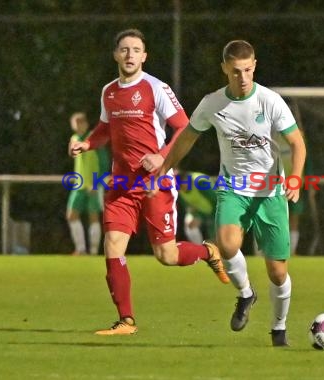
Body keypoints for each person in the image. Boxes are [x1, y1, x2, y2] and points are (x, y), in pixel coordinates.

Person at [68, 29, 229, 335]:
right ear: (116, 55)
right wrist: (87, 144)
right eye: (124, 49)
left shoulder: (156, 88)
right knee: (113, 245)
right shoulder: (109, 92)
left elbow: (185, 128)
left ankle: (208, 251)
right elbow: (104, 128)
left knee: (166, 255)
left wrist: (161, 156)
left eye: (136, 50)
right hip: (121, 184)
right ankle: (126, 320)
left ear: (145, 56)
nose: (130, 55)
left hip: (156, 183)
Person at [152, 40, 306, 346]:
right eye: (236, 71)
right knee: (226, 243)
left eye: (248, 70)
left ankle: (279, 329)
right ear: (225, 69)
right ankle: (246, 294)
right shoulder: (212, 103)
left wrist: (296, 179)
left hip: (271, 192)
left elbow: (297, 143)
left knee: (277, 272)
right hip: (232, 189)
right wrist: (165, 166)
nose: (243, 77)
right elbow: (187, 137)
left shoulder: (270, 101)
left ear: (254, 66)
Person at [66, 112, 111, 255]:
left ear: (85, 123)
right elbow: (72, 153)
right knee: (71, 215)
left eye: (80, 122)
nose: (77, 125)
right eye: (75, 123)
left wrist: (97, 182)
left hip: (94, 184)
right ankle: (80, 249)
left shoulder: (93, 137)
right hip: (79, 185)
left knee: (93, 216)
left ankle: (92, 251)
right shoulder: (74, 138)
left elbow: (104, 162)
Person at [176, 170, 217, 244]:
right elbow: (190, 208)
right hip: (204, 213)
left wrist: (202, 218)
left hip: (219, 210)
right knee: (189, 224)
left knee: (219, 239)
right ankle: (199, 249)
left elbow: (218, 202)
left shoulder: (201, 183)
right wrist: (197, 216)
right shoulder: (180, 189)